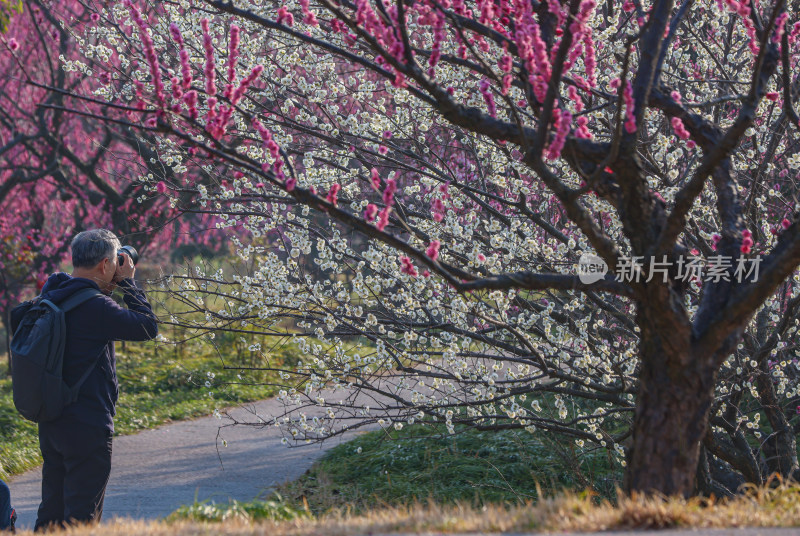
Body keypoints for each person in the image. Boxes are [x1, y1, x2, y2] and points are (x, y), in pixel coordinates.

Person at [33, 229, 158, 532]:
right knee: (81, 518)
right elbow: (147, 327)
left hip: (51, 421)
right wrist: (128, 283)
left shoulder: (51, 295)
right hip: (88, 425)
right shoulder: (97, 307)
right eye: (116, 262)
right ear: (105, 265)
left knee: (51, 511)